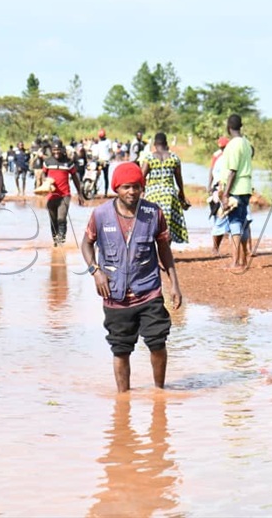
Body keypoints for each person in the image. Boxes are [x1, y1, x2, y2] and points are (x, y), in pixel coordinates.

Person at [80, 162, 182, 393]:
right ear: (117, 188)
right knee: (121, 349)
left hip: (149, 291)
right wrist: (95, 271)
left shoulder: (153, 213)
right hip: (115, 295)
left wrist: (174, 284)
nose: (132, 192)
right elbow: (86, 244)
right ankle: (123, 400)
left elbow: (164, 249)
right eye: (126, 187)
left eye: (136, 187)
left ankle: (159, 392)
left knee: (157, 342)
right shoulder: (100, 214)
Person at [219, 113, 254, 270]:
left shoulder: (233, 145)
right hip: (245, 187)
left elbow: (232, 171)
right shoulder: (246, 143)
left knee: (235, 223)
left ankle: (235, 262)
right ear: (241, 126)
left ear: (228, 127)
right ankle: (244, 260)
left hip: (236, 189)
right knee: (243, 222)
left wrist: (226, 194)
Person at [141, 132, 188, 246]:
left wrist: (142, 191)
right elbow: (178, 178)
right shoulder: (174, 158)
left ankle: (154, 253)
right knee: (167, 225)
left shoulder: (149, 158)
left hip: (152, 195)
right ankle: (166, 253)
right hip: (169, 195)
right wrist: (181, 192)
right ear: (166, 143)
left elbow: (141, 176)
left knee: (152, 224)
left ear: (155, 144)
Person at [43, 141, 85, 247]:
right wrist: (44, 186)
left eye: (58, 150)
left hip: (64, 195)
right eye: (54, 150)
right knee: (53, 220)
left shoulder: (69, 163)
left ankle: (61, 240)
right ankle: (55, 240)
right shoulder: (47, 162)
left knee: (61, 218)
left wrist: (80, 193)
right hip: (51, 195)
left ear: (62, 150)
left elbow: (75, 177)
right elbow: (44, 175)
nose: (56, 152)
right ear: (52, 151)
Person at [207, 136, 230, 256]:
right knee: (219, 218)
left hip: (222, 189)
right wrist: (210, 186)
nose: (222, 149)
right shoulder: (218, 156)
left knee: (221, 219)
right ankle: (215, 248)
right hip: (219, 190)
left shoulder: (227, 156)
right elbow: (212, 171)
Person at [93, 129, 113, 196]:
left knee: (105, 176)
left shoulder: (108, 141)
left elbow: (110, 151)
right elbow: (97, 151)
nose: (101, 138)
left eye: (102, 137)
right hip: (99, 161)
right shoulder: (98, 142)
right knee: (96, 175)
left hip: (106, 161)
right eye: (100, 137)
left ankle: (106, 192)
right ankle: (94, 189)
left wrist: (110, 158)